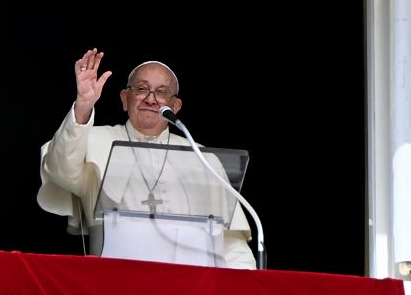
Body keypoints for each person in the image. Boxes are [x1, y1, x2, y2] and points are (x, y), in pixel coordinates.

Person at [38, 48, 256, 269]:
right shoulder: (93, 140)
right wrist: (84, 104)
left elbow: (230, 243)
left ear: (175, 106)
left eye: (161, 92)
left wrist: (246, 291)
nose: (151, 100)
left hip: (191, 290)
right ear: (125, 99)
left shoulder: (203, 157)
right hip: (116, 284)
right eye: (142, 89)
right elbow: (60, 169)